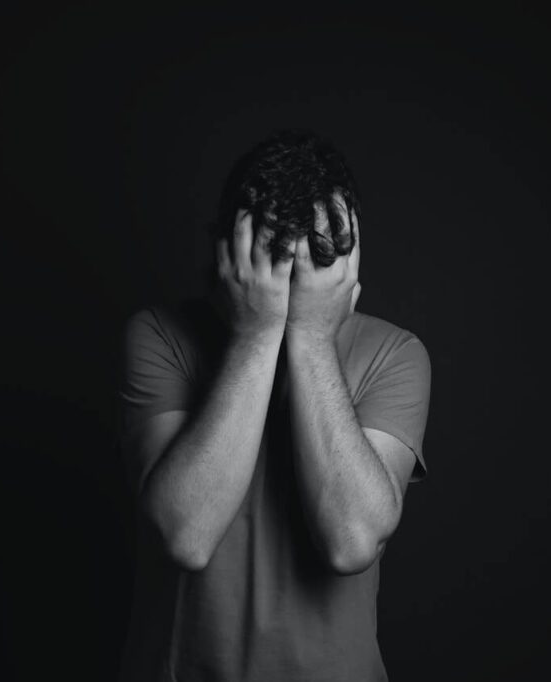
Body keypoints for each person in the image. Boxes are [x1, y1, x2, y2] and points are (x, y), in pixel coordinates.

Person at [116, 128, 432, 681]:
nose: (289, 280)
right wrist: (257, 335)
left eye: (312, 258)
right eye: (275, 257)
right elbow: (186, 534)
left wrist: (310, 338)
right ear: (229, 254)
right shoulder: (158, 336)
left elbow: (352, 538)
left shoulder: (396, 354)